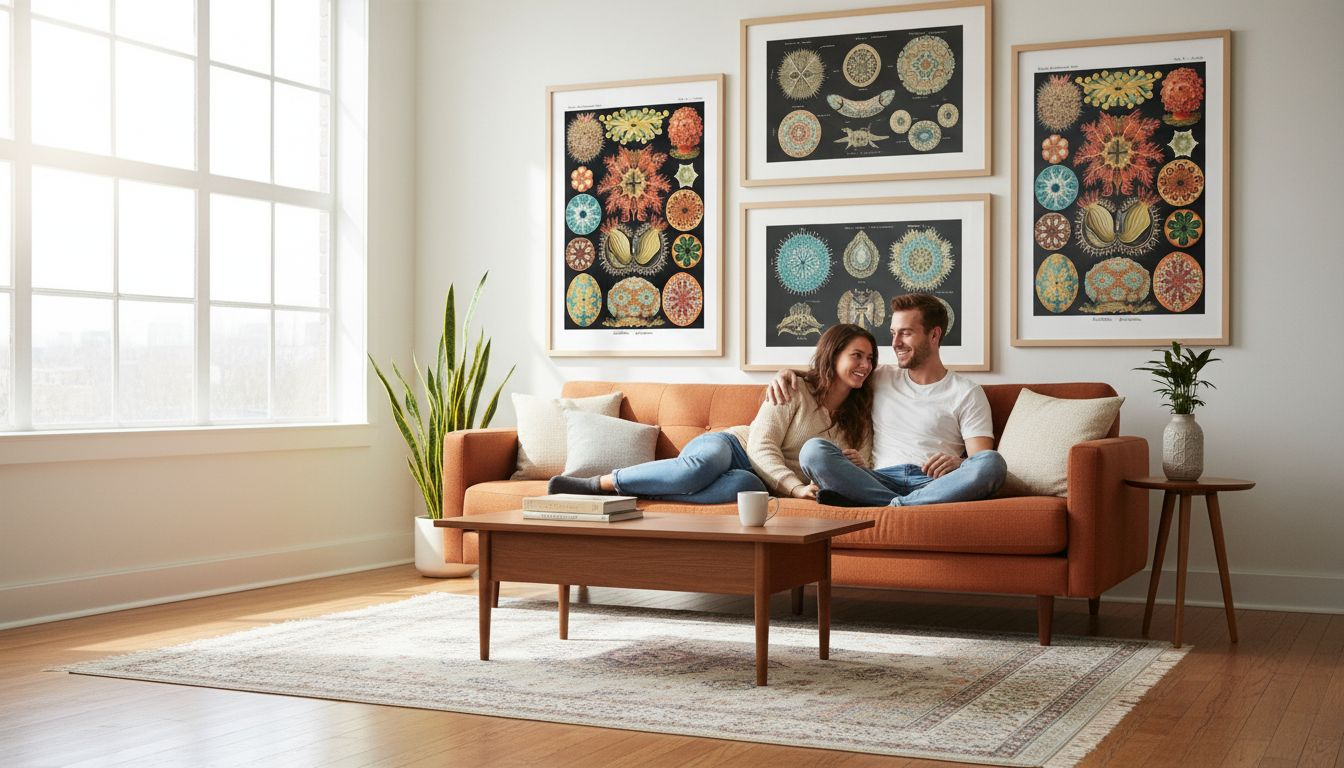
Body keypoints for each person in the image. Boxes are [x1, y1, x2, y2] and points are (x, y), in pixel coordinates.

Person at [548, 324, 877, 503]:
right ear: (833, 355)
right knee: (701, 467)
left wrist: (856, 465)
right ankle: (598, 484)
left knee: (747, 486)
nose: (865, 365)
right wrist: (794, 487)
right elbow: (761, 445)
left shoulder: (860, 415)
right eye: (857, 355)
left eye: (870, 359)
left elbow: (862, 465)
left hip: (759, 479)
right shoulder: (793, 389)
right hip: (733, 447)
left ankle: (649, 488)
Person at [770, 293, 1006, 507]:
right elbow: (836, 373)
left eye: (906, 333)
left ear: (934, 335)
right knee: (813, 451)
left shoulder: (967, 392)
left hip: (934, 483)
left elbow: (979, 458)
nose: (895, 343)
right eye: (894, 333)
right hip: (876, 480)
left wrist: (958, 463)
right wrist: (789, 373)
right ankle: (905, 506)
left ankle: (892, 506)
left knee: (993, 463)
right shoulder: (880, 376)